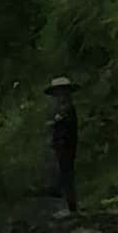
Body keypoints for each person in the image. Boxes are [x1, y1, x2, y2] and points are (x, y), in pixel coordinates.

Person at [48, 76, 80, 215]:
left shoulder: (67, 108)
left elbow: (67, 127)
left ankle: (70, 208)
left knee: (66, 175)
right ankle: (69, 206)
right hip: (61, 145)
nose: (59, 95)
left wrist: (55, 123)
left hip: (66, 145)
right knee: (63, 174)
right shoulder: (63, 107)